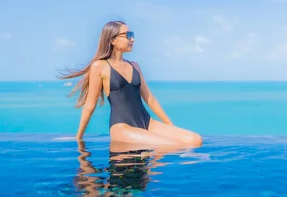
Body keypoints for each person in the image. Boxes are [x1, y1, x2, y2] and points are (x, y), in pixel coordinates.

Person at [59, 20, 203, 148]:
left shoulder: (135, 66)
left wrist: (171, 128)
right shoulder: (99, 66)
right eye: (127, 35)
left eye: (132, 34)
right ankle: (151, 170)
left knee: (195, 140)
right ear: (113, 40)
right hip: (122, 127)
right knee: (174, 145)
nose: (132, 39)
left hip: (147, 122)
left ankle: (149, 167)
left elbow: (150, 100)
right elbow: (90, 105)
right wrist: (79, 138)